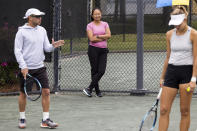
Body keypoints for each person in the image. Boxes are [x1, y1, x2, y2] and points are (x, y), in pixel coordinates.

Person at [14, 8, 64, 129]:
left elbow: (46, 48)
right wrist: (23, 66)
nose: (39, 18)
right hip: (27, 69)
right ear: (30, 17)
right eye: (37, 16)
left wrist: (53, 46)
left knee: (46, 92)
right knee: (23, 93)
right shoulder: (21, 32)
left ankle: (45, 120)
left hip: (40, 67)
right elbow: (17, 51)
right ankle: (22, 117)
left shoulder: (42, 30)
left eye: (40, 16)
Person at [159, 6, 197, 131]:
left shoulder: (193, 34)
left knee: (184, 111)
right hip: (171, 72)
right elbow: (168, 57)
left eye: (178, 23)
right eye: (174, 24)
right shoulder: (169, 34)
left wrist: (193, 79)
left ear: (185, 19)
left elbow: (196, 58)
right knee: (164, 109)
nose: (176, 26)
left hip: (186, 73)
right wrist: (162, 77)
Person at [83, 8, 111, 97]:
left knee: (101, 71)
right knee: (94, 71)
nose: (97, 15)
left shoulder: (105, 24)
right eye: (95, 14)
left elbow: (109, 35)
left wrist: (98, 36)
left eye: (99, 14)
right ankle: (97, 91)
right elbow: (91, 39)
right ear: (92, 16)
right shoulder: (89, 25)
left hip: (103, 50)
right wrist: (104, 37)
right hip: (93, 50)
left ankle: (89, 88)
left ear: (101, 14)